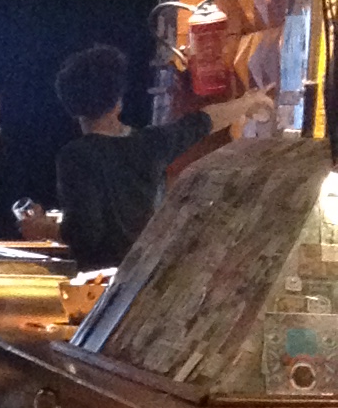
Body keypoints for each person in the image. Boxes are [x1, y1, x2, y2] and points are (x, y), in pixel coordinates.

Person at [52, 43, 273, 267]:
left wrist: (42, 228)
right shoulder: (149, 144)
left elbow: (85, 233)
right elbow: (203, 121)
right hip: (142, 270)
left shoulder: (75, 156)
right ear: (118, 101)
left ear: (70, 105)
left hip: (97, 278)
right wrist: (247, 103)